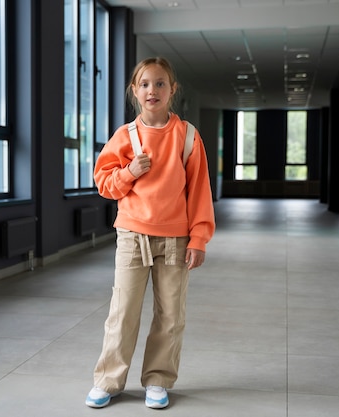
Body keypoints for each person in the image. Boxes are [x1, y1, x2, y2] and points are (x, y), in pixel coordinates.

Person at [85, 57, 215, 409]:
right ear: (134, 91)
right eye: (144, 84)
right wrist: (129, 172)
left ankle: (157, 380)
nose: (151, 90)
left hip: (175, 238)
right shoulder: (124, 137)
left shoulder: (187, 135)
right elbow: (105, 185)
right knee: (123, 310)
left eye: (160, 84)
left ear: (173, 90)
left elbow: (200, 191)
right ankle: (109, 380)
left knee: (171, 314)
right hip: (131, 234)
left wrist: (199, 238)